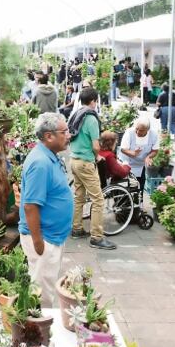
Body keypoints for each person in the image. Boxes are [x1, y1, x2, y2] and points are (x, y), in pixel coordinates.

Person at [19, 112, 74, 306]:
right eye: (64, 131)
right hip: (44, 239)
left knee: (44, 288)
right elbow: (30, 205)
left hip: (52, 237)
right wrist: (38, 242)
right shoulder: (40, 163)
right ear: (49, 136)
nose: (69, 135)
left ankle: (37, 330)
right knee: (42, 296)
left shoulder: (50, 156)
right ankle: (38, 332)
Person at [68, 87, 116, 250]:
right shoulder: (91, 118)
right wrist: (98, 155)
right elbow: (96, 145)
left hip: (74, 160)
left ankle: (77, 229)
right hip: (86, 162)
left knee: (79, 197)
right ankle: (96, 236)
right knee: (98, 199)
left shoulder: (76, 114)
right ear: (94, 101)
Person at [119, 117, 158, 192]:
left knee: (140, 187)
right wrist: (133, 153)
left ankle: (139, 202)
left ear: (147, 130)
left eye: (141, 130)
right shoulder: (129, 132)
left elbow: (155, 150)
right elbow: (123, 149)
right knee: (125, 188)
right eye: (136, 129)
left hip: (140, 165)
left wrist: (148, 157)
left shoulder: (153, 135)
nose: (137, 132)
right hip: (126, 164)